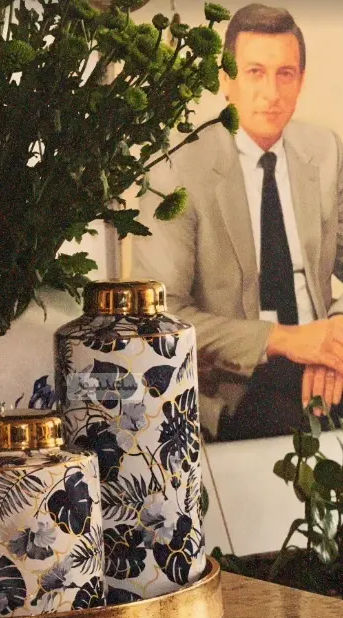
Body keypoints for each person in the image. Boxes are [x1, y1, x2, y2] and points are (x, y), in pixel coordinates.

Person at [131, 3, 343, 441]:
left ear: (301, 80)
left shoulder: (324, 150)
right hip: (234, 382)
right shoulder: (175, 167)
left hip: (323, 361)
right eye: (255, 72)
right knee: (291, 434)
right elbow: (162, 317)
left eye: (285, 73)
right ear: (226, 80)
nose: (272, 93)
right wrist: (286, 340)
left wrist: (334, 337)